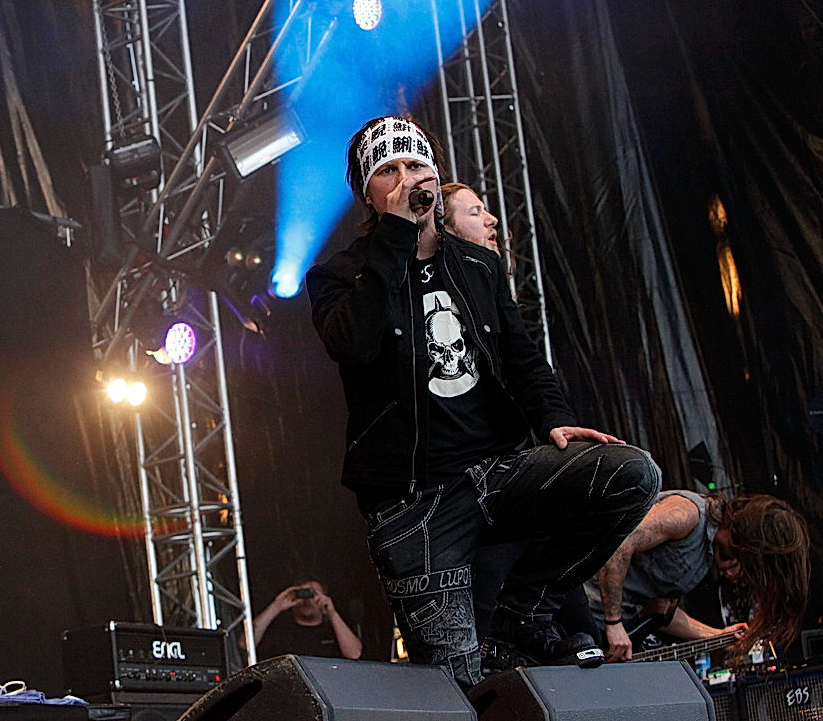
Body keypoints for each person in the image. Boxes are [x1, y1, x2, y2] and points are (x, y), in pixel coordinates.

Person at [304, 116, 661, 686]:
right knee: (459, 687)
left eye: (416, 165)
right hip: (416, 504)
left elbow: (523, 361)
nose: (406, 179)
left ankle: (524, 609)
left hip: (497, 471)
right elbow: (353, 342)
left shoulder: (477, 265)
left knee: (631, 474)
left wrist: (555, 423)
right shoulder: (339, 276)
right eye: (388, 171)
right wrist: (396, 238)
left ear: (435, 172)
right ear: (366, 194)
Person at [587, 491, 810, 664]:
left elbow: (657, 610)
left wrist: (715, 635)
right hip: (579, 607)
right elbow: (619, 544)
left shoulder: (705, 556)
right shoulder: (687, 514)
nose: (735, 573)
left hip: (601, 632)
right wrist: (613, 621)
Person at [252, 581, 363, 660]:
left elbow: (355, 654)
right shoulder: (281, 631)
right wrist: (276, 606)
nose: (307, 600)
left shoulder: (335, 631)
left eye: (313, 594)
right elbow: (246, 644)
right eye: (303, 594)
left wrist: (332, 613)